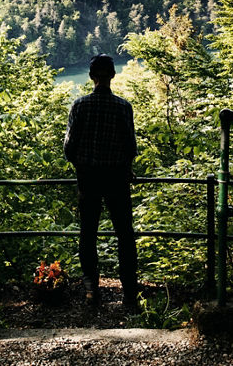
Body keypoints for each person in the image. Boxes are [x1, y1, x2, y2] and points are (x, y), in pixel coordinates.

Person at [63, 54, 139, 309]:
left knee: (88, 234)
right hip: (117, 178)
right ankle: (129, 294)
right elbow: (130, 145)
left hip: (89, 177)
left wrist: (81, 165)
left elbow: (69, 146)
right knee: (125, 235)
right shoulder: (123, 107)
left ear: (91, 76)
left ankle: (91, 291)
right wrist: (126, 168)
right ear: (113, 75)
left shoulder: (79, 105)